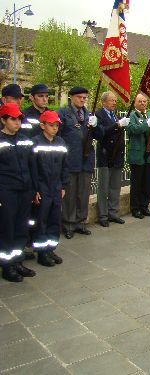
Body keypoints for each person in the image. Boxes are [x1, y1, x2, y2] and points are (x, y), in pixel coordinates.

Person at [57, 87, 101, 239]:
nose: (82, 100)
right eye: (79, 97)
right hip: (70, 159)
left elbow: (99, 135)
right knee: (69, 194)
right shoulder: (63, 113)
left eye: (84, 98)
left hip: (86, 159)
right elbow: (58, 135)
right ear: (71, 97)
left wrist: (96, 125)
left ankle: (80, 222)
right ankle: (68, 224)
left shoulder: (89, 114)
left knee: (83, 193)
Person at [0, 103, 37, 282]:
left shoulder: (25, 140)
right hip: (7, 191)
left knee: (22, 228)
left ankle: (18, 261)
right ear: (3, 120)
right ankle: (7, 266)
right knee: (8, 228)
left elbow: (32, 166)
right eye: (13, 119)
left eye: (19, 119)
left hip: (25, 190)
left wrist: (35, 189)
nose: (17, 122)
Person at [31, 111, 68, 267]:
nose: (54, 128)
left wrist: (64, 185)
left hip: (56, 187)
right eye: (51, 125)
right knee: (42, 220)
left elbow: (65, 166)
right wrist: (35, 190)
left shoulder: (60, 142)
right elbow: (32, 169)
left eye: (56, 125)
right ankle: (41, 252)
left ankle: (50, 248)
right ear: (42, 126)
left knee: (54, 219)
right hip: (42, 187)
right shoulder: (35, 143)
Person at [95, 91, 128, 227]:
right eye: (111, 100)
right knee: (103, 187)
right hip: (105, 155)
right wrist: (117, 125)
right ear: (104, 102)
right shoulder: (99, 115)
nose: (114, 103)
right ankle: (103, 215)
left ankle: (113, 213)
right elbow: (101, 133)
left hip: (117, 156)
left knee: (115, 186)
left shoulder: (114, 115)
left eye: (115, 100)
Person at [126, 94, 150, 219]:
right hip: (138, 154)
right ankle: (135, 208)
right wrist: (147, 124)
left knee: (147, 182)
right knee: (137, 183)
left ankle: (144, 206)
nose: (142, 103)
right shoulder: (132, 115)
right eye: (140, 101)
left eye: (144, 101)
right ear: (135, 103)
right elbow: (133, 129)